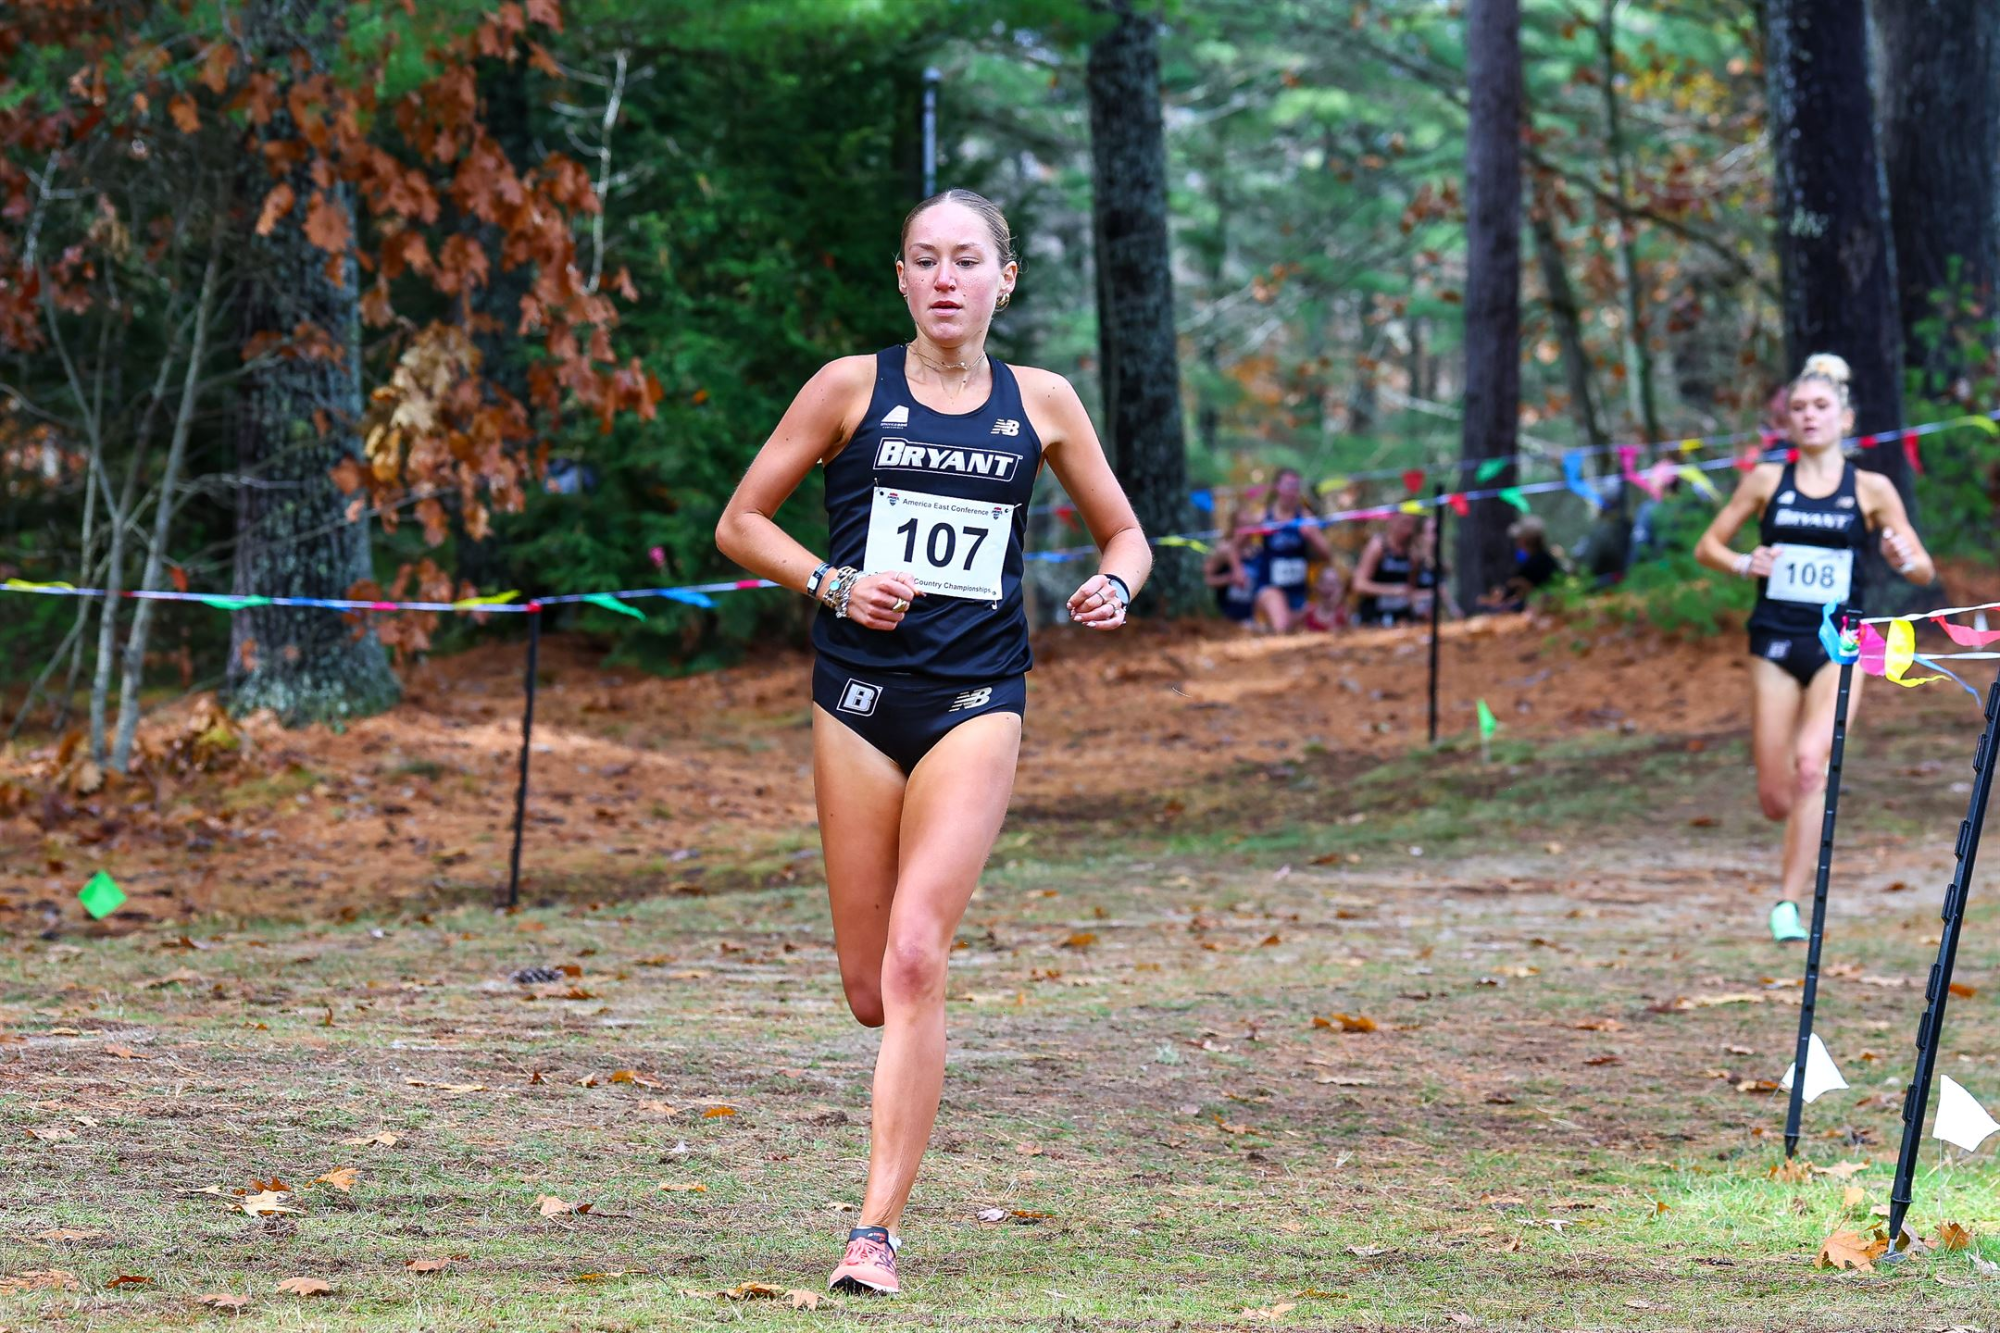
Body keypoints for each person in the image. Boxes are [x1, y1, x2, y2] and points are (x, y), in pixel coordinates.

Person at [714, 189, 1150, 1296]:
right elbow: (739, 521)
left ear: (1005, 279)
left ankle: (873, 1232)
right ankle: (896, 1095)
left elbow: (1125, 532)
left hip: (975, 699)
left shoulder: (1040, 401)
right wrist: (832, 583)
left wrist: (1112, 583)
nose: (945, 278)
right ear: (901, 279)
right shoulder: (848, 388)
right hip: (855, 701)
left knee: (917, 955)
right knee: (869, 987)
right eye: (924, 260)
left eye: (967, 260)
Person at [1694, 353, 1935, 942]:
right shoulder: (1765, 480)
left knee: (1812, 766)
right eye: (1798, 408)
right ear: (1787, 422)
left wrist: (1908, 559)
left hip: (1841, 644)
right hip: (1774, 640)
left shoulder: (1872, 489)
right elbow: (1708, 546)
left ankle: (1787, 905)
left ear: (1845, 418)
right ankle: (1786, 847)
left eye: (1821, 407)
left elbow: (1925, 569)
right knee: (1776, 795)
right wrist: (1742, 560)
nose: (1809, 416)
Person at [1248, 468, 1332, 632]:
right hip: (1270, 586)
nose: (1292, 491)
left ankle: (1261, 628)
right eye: (1288, 486)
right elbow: (1238, 541)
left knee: (1300, 631)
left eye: (1296, 487)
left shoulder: (1305, 518)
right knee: (1282, 625)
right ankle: (1263, 619)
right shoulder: (1264, 517)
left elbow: (1327, 554)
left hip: (1298, 591)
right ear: (1277, 488)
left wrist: (1312, 536)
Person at [1352, 511, 1428, 626]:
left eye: (1413, 524)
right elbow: (1359, 584)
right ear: (1393, 521)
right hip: (1374, 617)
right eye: (1405, 523)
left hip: (1402, 619)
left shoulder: (1413, 553)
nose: (1409, 530)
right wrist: (1392, 591)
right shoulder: (1379, 546)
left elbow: (1411, 588)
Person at [1480, 514, 1567, 613]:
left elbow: (1518, 590)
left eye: (1518, 538)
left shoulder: (1534, 563)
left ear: (1524, 540)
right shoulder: (1545, 559)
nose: (1517, 543)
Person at [1203, 503, 1260, 628]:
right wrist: (1228, 579)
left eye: (1248, 526)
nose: (1244, 532)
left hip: (1253, 615)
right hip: (1228, 616)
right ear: (1234, 526)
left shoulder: (1257, 551)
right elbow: (1207, 578)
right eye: (1241, 526)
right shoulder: (1224, 549)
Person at [1300, 561, 1351, 633]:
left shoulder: (1344, 614)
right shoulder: (1308, 611)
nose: (1328, 587)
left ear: (1342, 588)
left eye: (1334, 583)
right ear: (1317, 586)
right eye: (1324, 582)